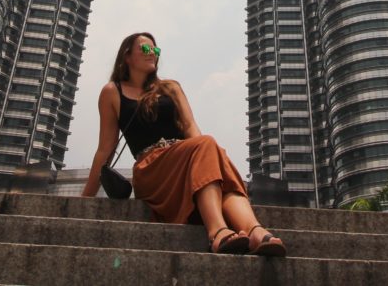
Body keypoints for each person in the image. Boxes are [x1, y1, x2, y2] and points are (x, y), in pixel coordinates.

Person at [81, 32, 286, 256]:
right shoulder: (113, 92)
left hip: (184, 159)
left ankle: (256, 232)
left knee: (215, 160)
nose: (153, 54)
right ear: (127, 56)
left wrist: (208, 156)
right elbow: (105, 148)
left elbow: (190, 128)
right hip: (151, 169)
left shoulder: (170, 87)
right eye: (146, 49)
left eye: (156, 50)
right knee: (208, 146)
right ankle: (217, 232)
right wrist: (85, 201)